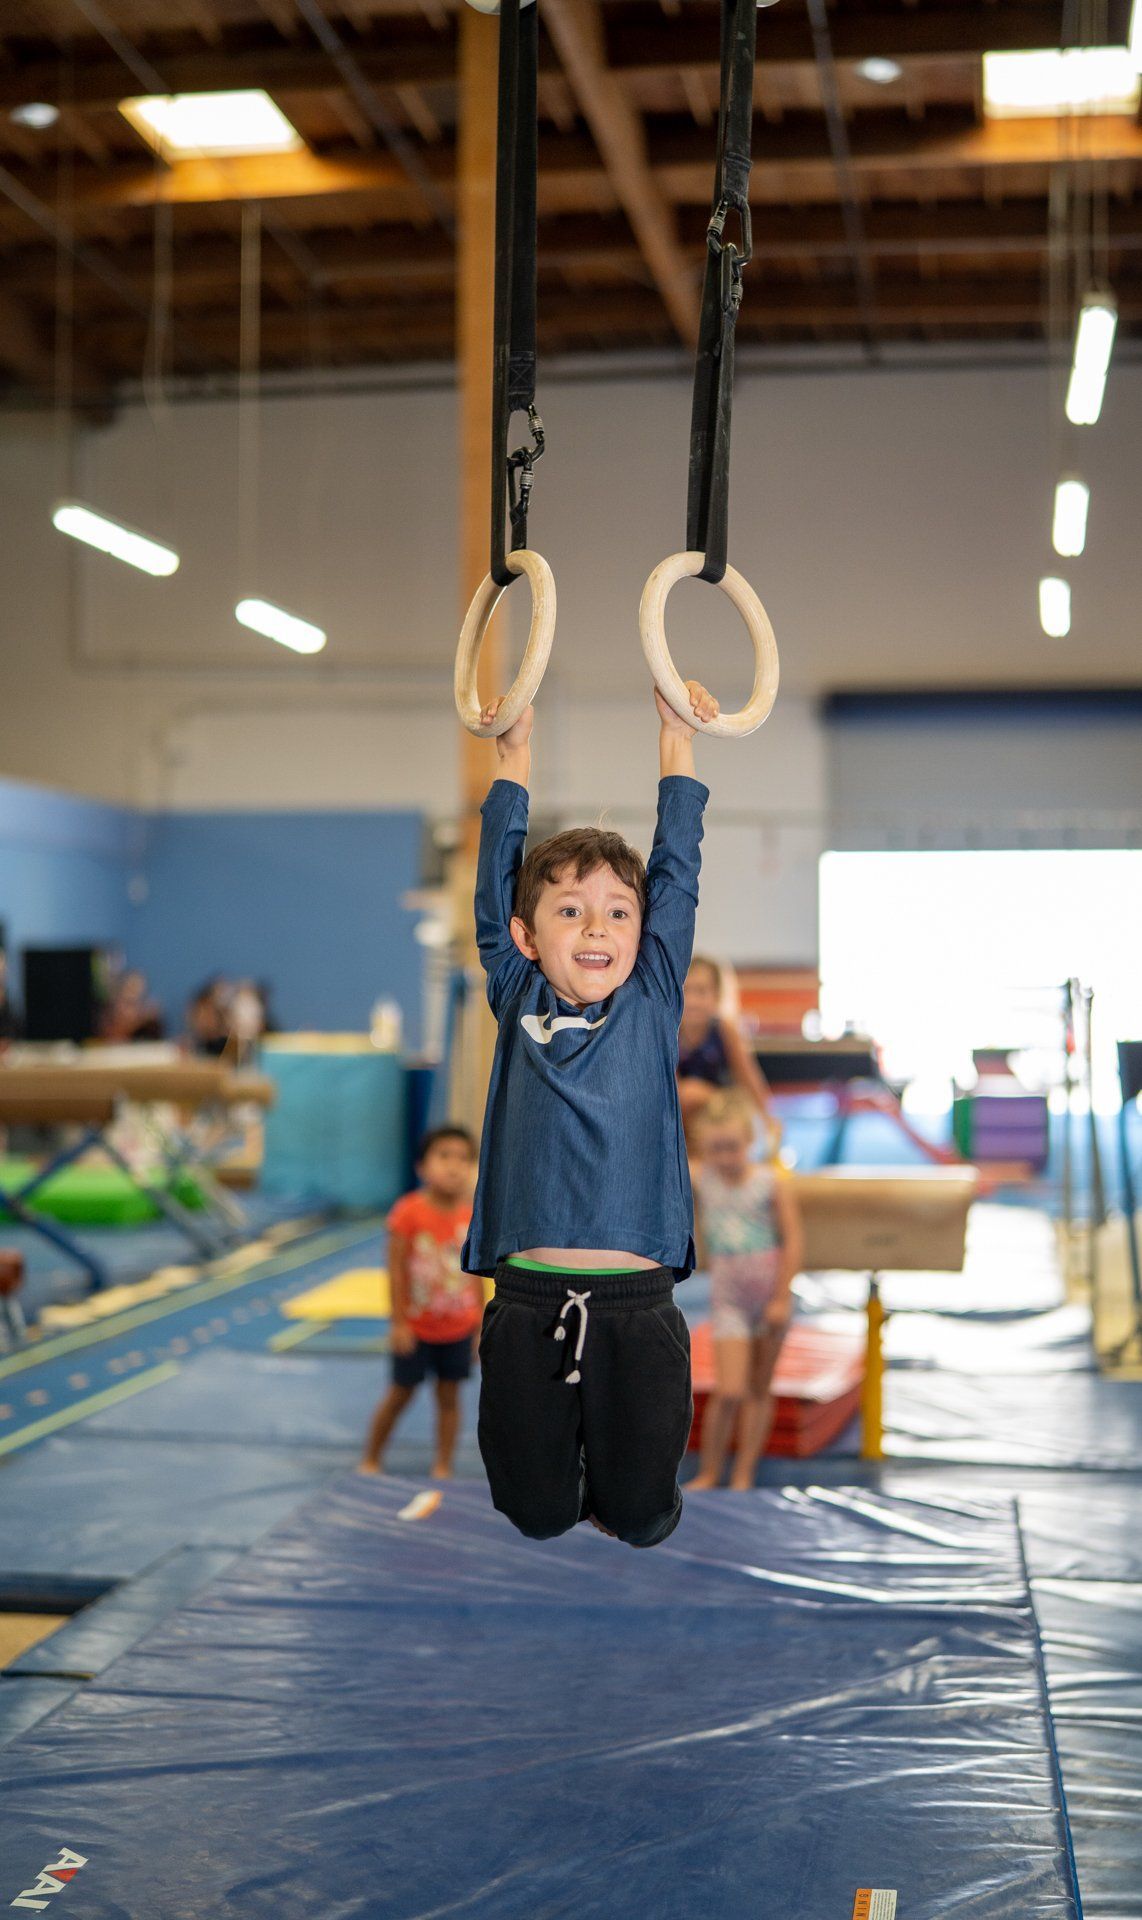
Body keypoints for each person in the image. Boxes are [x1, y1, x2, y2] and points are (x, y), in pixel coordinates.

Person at [465, 679, 719, 1548]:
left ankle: (623, 1494)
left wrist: (678, 741)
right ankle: (563, 1481)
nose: (595, 926)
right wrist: (512, 759)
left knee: (644, 1517)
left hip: (637, 1308)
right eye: (568, 911)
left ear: (644, 934)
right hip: (528, 1301)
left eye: (617, 910)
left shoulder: (651, 995)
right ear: (528, 935)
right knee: (534, 1513)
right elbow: (493, 880)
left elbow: (679, 864)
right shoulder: (516, 988)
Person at [687, 1090, 803, 1491]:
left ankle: (743, 1473)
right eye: (715, 1149)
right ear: (704, 1148)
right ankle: (710, 1470)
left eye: (733, 1147)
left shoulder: (770, 1182)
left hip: (769, 1293)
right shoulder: (701, 1177)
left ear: (749, 1143)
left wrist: (782, 1297)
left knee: (758, 1387)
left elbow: (793, 1240)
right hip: (730, 1296)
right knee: (729, 1389)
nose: (725, 1157)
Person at [359, 1125, 482, 1479]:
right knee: (400, 1394)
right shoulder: (408, 1212)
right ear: (422, 1167)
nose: (454, 1166)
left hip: (457, 1327)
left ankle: (443, 1465)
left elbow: (475, 1274)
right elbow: (396, 1271)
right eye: (444, 1156)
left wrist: (478, 1326)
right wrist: (398, 1322)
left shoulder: (470, 1217)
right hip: (416, 1327)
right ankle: (371, 1457)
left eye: (464, 1159)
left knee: (449, 1398)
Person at [677, 953, 773, 1146]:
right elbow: (676, 1092)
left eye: (702, 992)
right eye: (686, 991)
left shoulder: (724, 1030)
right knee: (687, 1095)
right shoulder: (670, 1035)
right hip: (685, 1118)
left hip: (722, 1111)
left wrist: (768, 1124)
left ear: (717, 996)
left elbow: (752, 1084)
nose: (693, 1001)